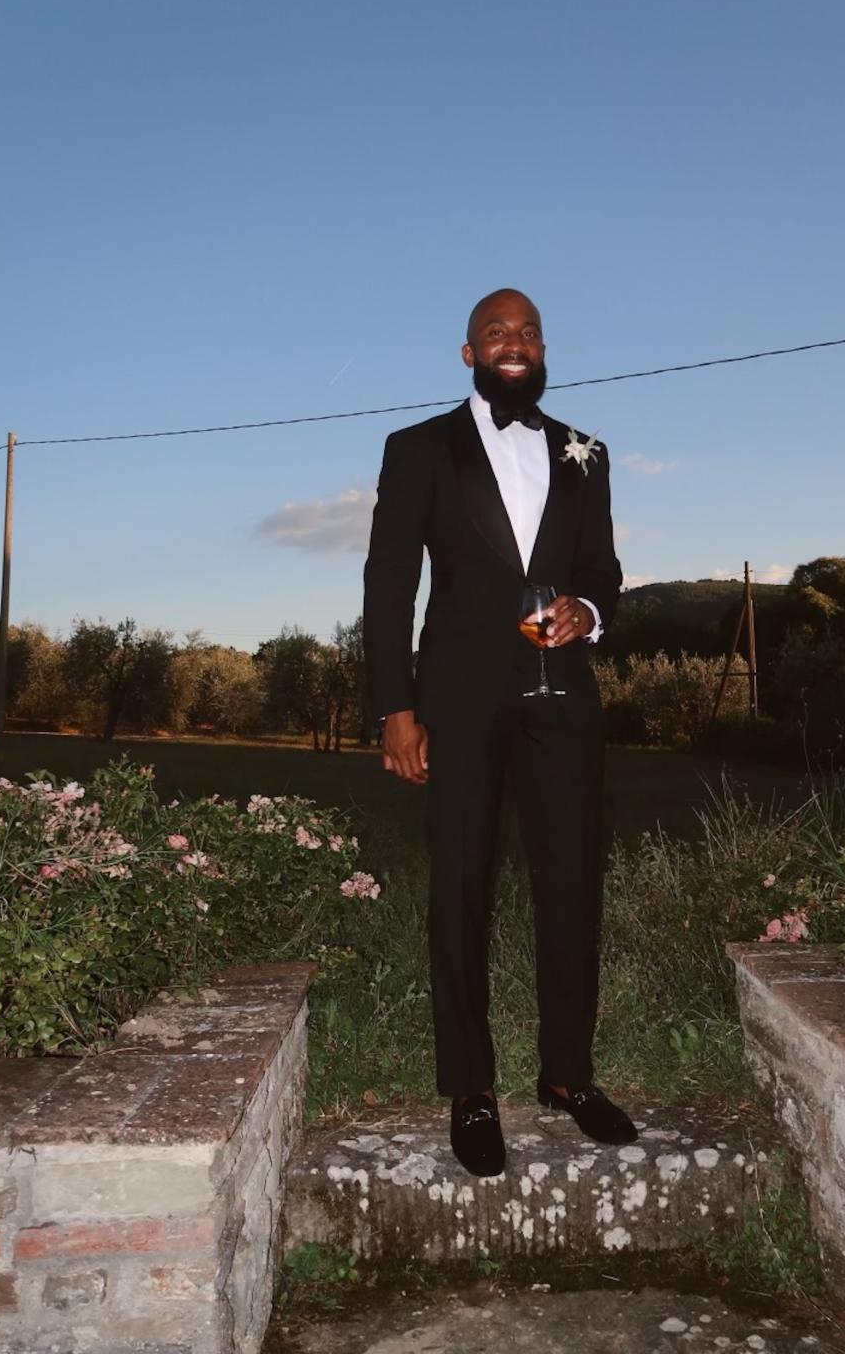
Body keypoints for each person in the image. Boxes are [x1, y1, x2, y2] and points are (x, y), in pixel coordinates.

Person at [363, 288, 636, 1176]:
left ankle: (567, 1076)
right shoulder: (417, 450)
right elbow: (389, 583)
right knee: (461, 887)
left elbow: (603, 567)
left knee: (571, 887)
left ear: (544, 348)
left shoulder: (583, 453)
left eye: (526, 334)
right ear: (468, 352)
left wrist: (586, 608)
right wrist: (395, 707)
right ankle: (471, 1088)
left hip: (564, 699)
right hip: (457, 700)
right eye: (495, 333)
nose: (512, 344)